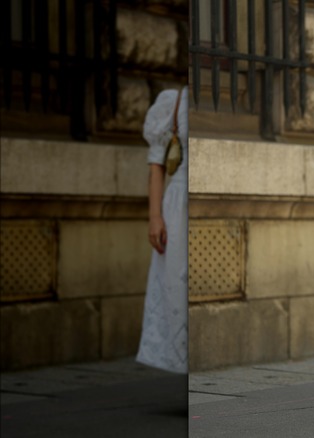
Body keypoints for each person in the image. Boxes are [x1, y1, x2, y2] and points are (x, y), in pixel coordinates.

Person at [136, 87, 189, 375]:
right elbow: (156, 164)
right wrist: (155, 216)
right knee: (175, 285)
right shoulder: (174, 101)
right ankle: (182, 365)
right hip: (178, 203)